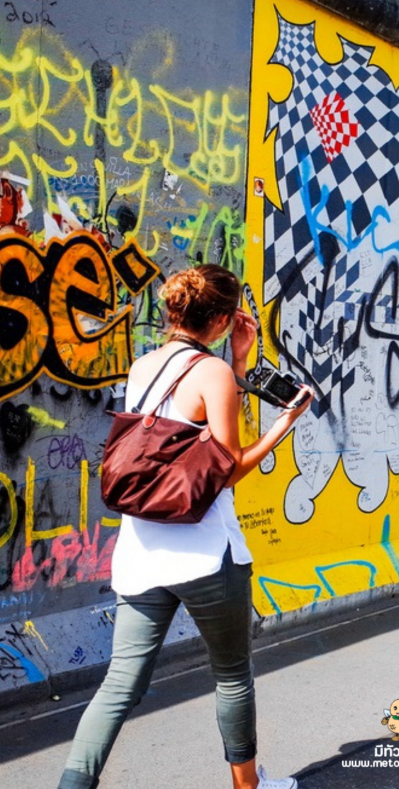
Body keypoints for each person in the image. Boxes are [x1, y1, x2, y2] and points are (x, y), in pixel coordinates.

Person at [59, 265, 312, 789]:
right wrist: (285, 421)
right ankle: (248, 787)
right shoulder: (211, 372)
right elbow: (227, 468)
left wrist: (238, 362)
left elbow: (181, 436)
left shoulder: (143, 366)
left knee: (119, 686)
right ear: (221, 318)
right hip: (205, 554)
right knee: (233, 676)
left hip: (141, 554)